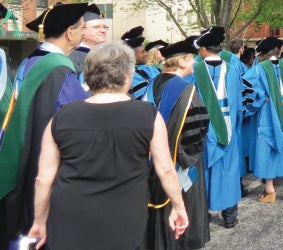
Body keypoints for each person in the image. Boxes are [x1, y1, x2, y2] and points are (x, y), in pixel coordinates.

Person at [26, 41, 189, 250]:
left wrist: (39, 221)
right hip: (125, 218)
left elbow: (43, 178)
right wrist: (178, 206)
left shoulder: (60, 118)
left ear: (88, 76)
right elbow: (166, 170)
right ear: (127, 77)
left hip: (70, 216)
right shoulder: (149, 115)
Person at [0, 3, 89, 247]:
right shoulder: (58, 70)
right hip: (42, 159)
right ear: (70, 32)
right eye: (82, 28)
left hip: (19, 151)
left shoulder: (31, 60)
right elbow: (77, 119)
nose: (83, 33)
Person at [144, 37, 211, 249]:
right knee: (182, 212)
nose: (194, 63)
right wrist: (186, 161)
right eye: (191, 59)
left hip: (152, 164)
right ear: (181, 61)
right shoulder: (186, 90)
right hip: (182, 164)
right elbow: (197, 132)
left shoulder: (151, 84)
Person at [189, 26, 246, 229]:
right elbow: (239, 104)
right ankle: (230, 216)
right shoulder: (232, 68)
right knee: (228, 172)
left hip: (202, 130)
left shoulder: (194, 70)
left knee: (202, 171)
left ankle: (202, 215)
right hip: (228, 129)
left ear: (203, 49)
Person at [243, 37, 283, 203]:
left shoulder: (257, 70)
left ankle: (270, 191)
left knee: (268, 153)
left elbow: (247, 90)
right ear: (279, 52)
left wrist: (261, 100)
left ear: (262, 53)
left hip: (267, 120)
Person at [122, 26, 160, 101]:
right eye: (142, 52)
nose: (146, 54)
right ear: (132, 54)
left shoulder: (150, 68)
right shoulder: (129, 74)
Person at [68, 4, 104, 81]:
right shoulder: (71, 57)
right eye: (97, 27)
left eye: (104, 27)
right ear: (82, 30)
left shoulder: (107, 55)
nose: (103, 30)